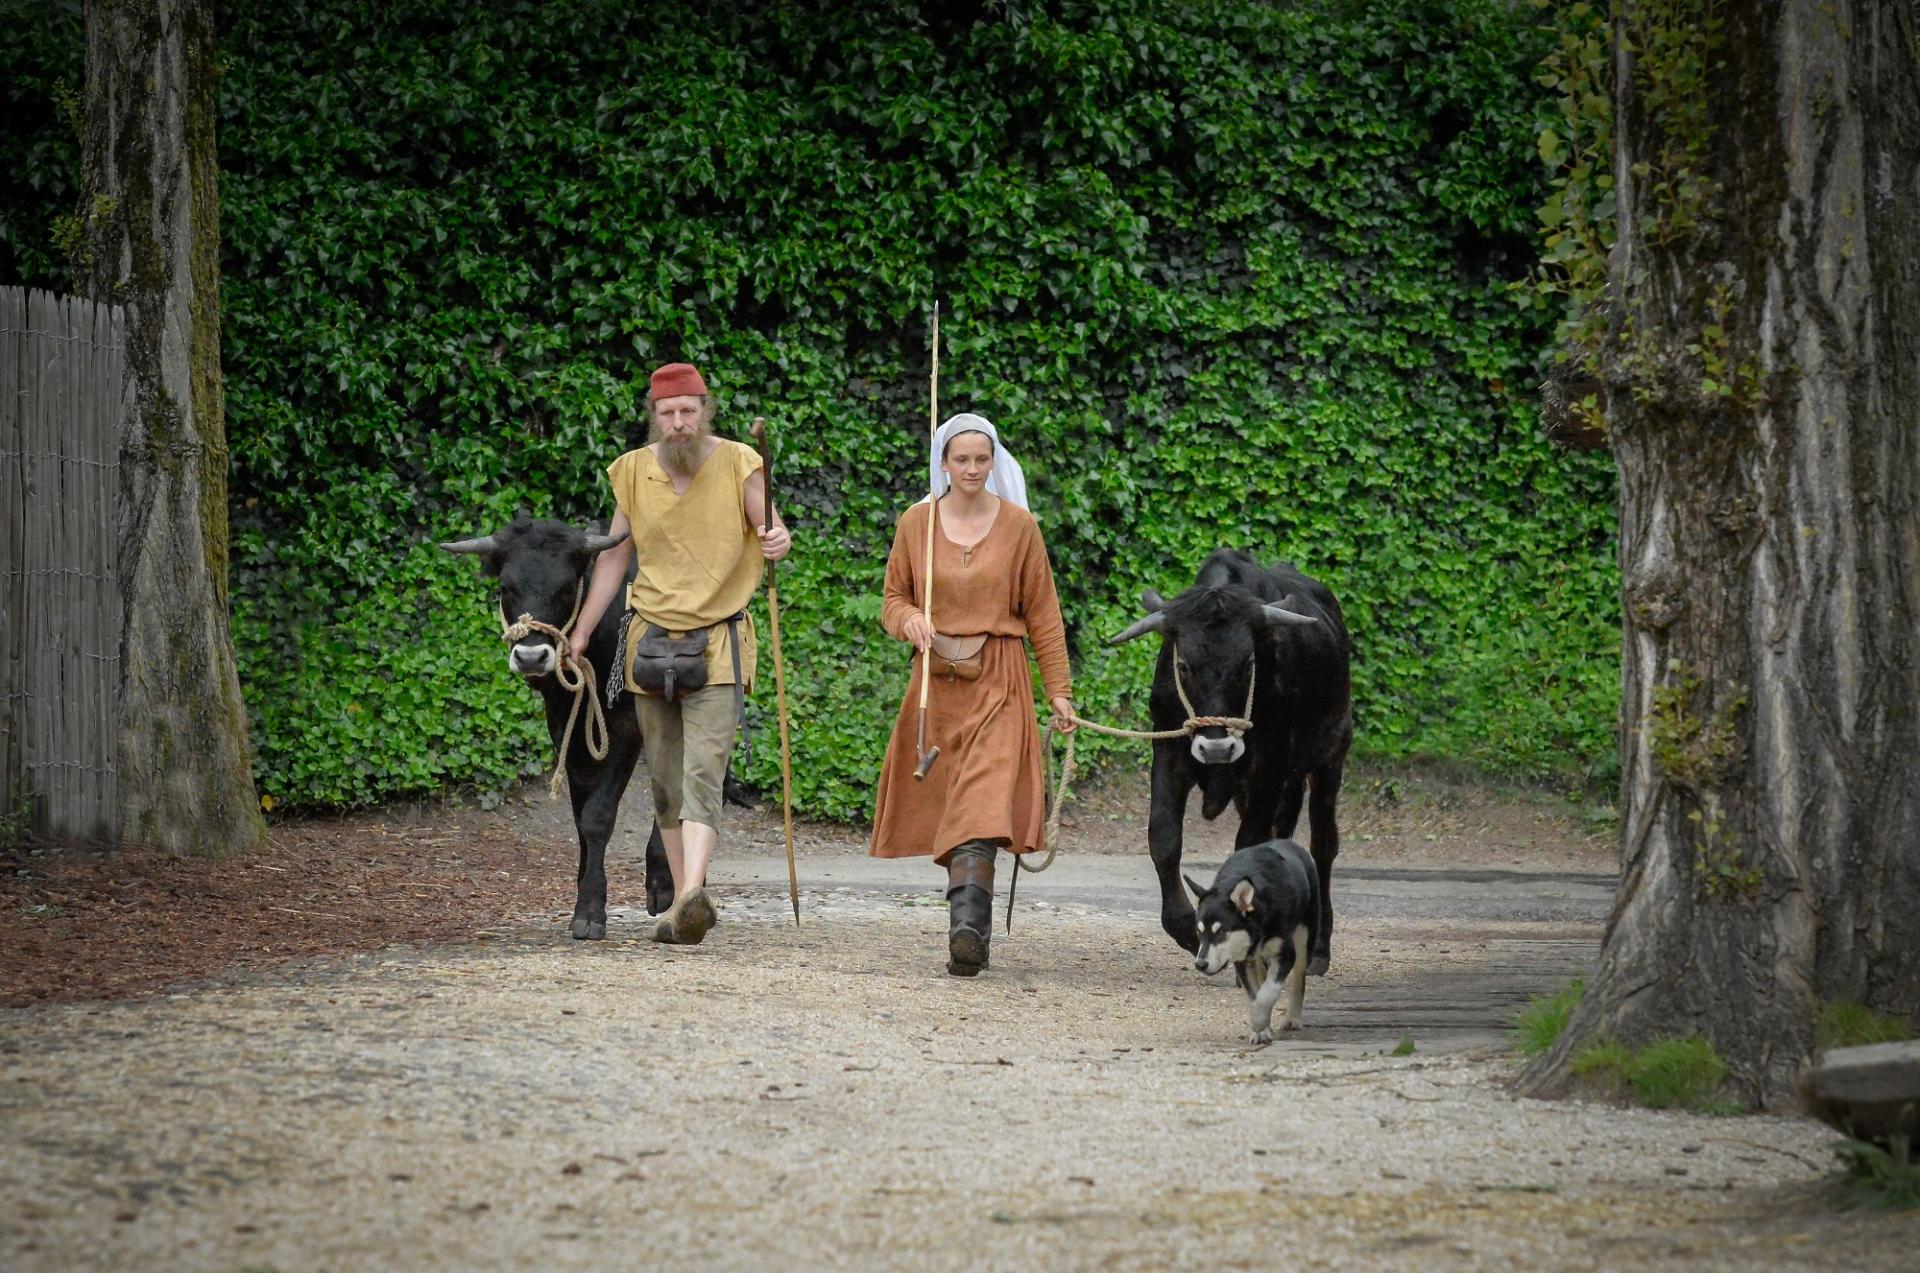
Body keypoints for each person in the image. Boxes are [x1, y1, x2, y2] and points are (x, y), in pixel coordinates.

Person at [572, 362, 791, 944]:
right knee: (666, 780)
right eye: (668, 414)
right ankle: (685, 899)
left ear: (704, 411)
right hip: (648, 643)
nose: (679, 423)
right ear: (655, 417)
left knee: (703, 770)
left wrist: (778, 538)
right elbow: (614, 559)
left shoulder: (741, 463)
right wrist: (580, 632)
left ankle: (691, 894)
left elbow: (773, 530)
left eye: (688, 411)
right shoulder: (632, 473)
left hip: (718, 643)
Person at [870, 413, 1074, 976]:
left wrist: (1059, 692)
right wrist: (909, 619)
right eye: (961, 459)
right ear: (944, 463)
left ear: (994, 461)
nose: (972, 469)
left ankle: (967, 929)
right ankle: (968, 922)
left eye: (981, 459)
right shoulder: (917, 524)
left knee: (983, 804)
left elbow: (1044, 616)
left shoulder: (1019, 527)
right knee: (954, 806)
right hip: (935, 684)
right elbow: (891, 598)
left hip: (1000, 680)